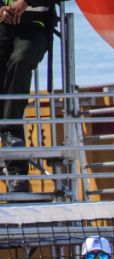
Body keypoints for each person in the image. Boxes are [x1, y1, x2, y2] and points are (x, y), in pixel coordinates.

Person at [0, 0, 59, 193]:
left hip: (35, 26)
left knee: (21, 60)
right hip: (2, 27)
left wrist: (25, 2)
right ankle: (16, 174)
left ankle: (16, 169)